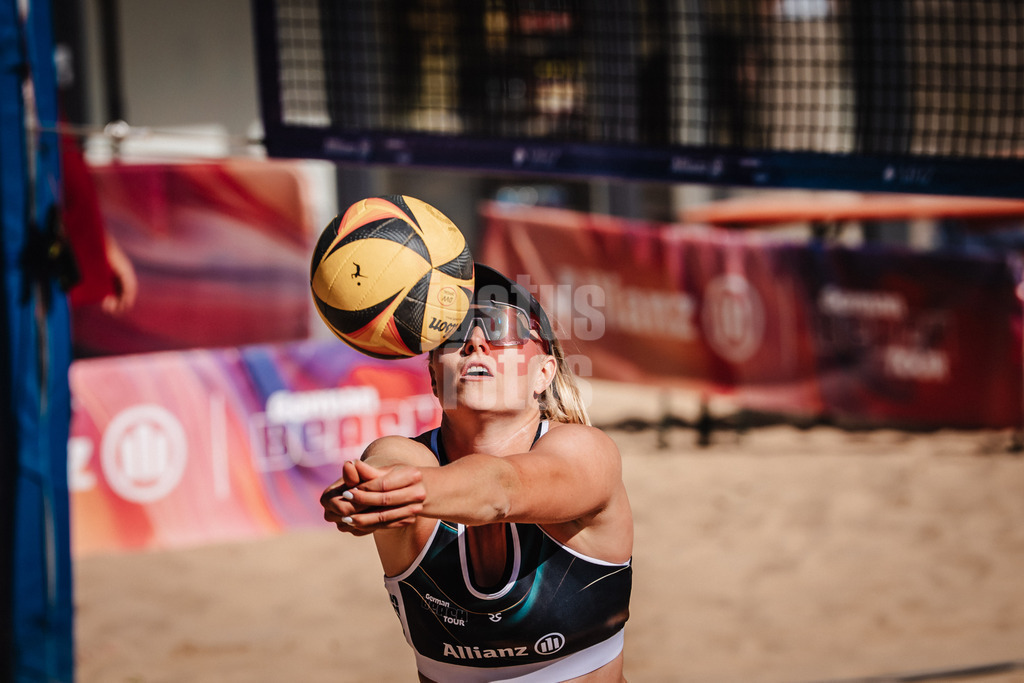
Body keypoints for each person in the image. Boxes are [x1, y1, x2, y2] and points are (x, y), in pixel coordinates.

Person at [320, 264, 633, 682]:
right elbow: (386, 465)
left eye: (502, 325)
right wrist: (370, 490)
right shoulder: (405, 456)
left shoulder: (585, 452)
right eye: (454, 331)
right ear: (434, 376)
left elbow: (502, 488)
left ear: (544, 373)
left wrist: (402, 493)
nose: (476, 341)